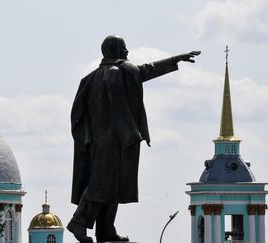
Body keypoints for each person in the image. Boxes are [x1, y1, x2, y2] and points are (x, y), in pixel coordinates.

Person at [68, 35, 200, 242]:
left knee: (113, 185)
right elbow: (145, 71)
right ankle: (78, 222)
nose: (127, 51)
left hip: (103, 140)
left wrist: (176, 59)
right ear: (113, 50)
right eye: (124, 47)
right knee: (101, 183)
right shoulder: (117, 73)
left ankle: (105, 230)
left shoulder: (91, 78)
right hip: (114, 139)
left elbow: (76, 113)